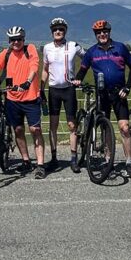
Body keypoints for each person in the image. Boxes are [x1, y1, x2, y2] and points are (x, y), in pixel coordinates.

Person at [0, 26, 46, 179]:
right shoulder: (7, 53)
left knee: (35, 130)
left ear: (23, 39)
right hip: (12, 99)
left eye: (19, 39)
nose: (16, 42)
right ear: (9, 41)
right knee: (18, 130)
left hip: (30, 97)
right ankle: (26, 161)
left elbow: (34, 65)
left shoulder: (30, 49)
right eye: (13, 40)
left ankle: (40, 165)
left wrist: (28, 81)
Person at [73, 20, 131, 177]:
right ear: (95, 35)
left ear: (109, 32)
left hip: (119, 93)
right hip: (102, 94)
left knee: (125, 128)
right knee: (105, 128)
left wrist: (127, 87)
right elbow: (83, 70)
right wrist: (78, 79)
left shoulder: (120, 48)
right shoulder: (92, 52)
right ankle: (108, 160)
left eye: (104, 32)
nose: (102, 34)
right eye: (98, 33)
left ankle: (128, 161)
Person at [40, 18, 85, 173]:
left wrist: (80, 76)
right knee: (53, 125)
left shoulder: (73, 46)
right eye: (55, 30)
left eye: (60, 29)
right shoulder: (47, 48)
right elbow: (45, 69)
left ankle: (74, 159)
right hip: (53, 90)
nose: (57, 32)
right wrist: (41, 88)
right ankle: (54, 158)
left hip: (69, 89)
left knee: (72, 125)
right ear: (51, 32)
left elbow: (87, 59)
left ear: (65, 31)